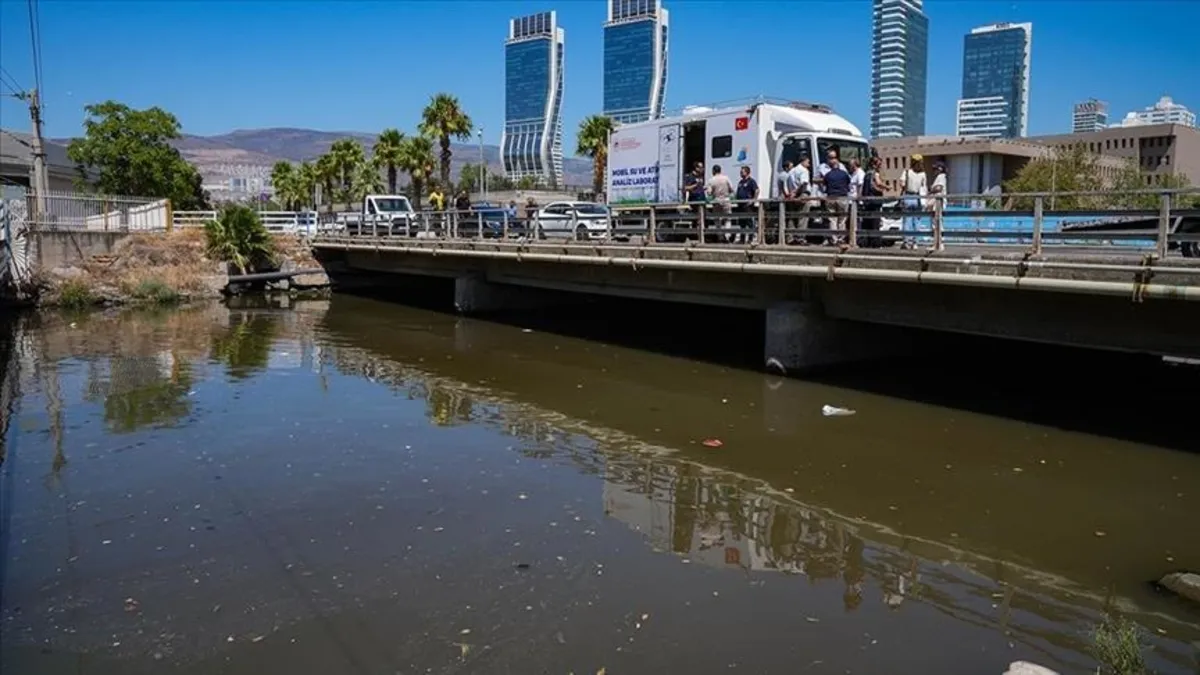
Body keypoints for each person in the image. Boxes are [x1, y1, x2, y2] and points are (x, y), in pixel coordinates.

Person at [822, 154, 852, 243]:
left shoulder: (828, 175)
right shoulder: (844, 174)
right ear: (839, 166)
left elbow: (824, 184)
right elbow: (848, 182)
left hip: (830, 197)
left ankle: (834, 238)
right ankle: (841, 238)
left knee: (832, 219)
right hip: (842, 197)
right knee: (842, 219)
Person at [900, 154, 927, 247]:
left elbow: (902, 184)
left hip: (908, 196)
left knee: (907, 220)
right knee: (917, 221)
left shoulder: (907, 172)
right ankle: (915, 242)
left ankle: (907, 242)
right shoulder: (923, 174)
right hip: (918, 198)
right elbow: (924, 187)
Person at [861, 155, 886, 247]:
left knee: (867, 223)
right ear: (874, 165)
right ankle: (875, 243)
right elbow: (877, 184)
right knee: (875, 223)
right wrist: (886, 188)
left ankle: (866, 242)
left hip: (867, 202)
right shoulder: (875, 173)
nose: (880, 166)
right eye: (879, 165)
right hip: (874, 202)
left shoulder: (866, 174)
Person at [706, 164, 734, 241]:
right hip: (726, 199)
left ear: (713, 171)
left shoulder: (711, 180)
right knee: (728, 219)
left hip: (716, 200)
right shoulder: (726, 178)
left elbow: (709, 193)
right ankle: (727, 235)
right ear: (720, 170)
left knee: (717, 219)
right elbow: (731, 189)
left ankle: (720, 236)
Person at [734, 165, 760, 244]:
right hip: (740, 206)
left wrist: (753, 200)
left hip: (747, 206)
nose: (741, 173)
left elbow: (757, 190)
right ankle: (742, 239)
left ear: (747, 172)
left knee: (750, 223)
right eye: (740, 172)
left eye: (742, 172)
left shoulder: (751, 181)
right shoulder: (740, 182)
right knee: (742, 223)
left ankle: (750, 239)